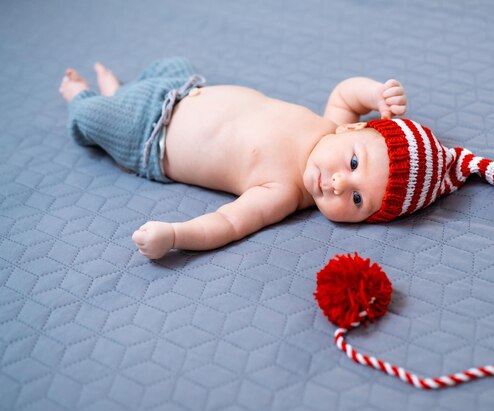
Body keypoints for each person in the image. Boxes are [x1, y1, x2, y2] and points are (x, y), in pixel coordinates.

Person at [59, 57, 408, 259]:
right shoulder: (334, 125)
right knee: (173, 62)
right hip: (182, 90)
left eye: (357, 199)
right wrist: (376, 93)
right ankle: (119, 91)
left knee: (98, 117)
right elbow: (347, 94)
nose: (339, 183)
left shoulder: (284, 192)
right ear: (352, 131)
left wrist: (175, 236)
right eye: (353, 164)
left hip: (150, 135)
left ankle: (82, 97)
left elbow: (228, 223)